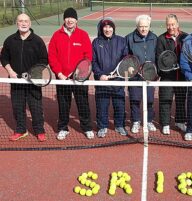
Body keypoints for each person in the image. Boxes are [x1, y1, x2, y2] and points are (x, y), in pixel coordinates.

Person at [48, 7, 94, 140]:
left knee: (83, 103)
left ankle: (87, 127)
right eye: (67, 17)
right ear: (64, 19)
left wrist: (80, 72)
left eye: (72, 18)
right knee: (63, 104)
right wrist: (60, 73)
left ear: (76, 20)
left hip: (79, 78)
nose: (69, 20)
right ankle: (63, 128)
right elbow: (52, 56)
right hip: (62, 78)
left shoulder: (83, 35)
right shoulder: (56, 35)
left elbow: (88, 56)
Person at [0, 13, 48, 142]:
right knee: (18, 107)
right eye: (21, 21)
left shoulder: (37, 41)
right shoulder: (10, 40)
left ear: (30, 24)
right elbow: (3, 58)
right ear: (17, 23)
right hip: (16, 81)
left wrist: (32, 73)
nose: (23, 23)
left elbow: (44, 60)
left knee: (36, 107)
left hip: (33, 81)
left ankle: (39, 130)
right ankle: (21, 130)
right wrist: (10, 71)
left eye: (26, 21)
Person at [92, 17, 128, 137]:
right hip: (102, 81)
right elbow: (93, 61)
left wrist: (119, 72)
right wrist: (99, 74)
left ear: (113, 28)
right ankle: (102, 126)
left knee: (119, 105)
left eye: (110, 27)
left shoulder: (121, 41)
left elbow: (125, 59)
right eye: (105, 27)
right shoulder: (96, 42)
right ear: (102, 29)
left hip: (118, 80)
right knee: (102, 105)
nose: (108, 29)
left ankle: (119, 125)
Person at [156, 14, 188, 135]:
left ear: (177, 24)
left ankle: (180, 121)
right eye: (168, 24)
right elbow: (159, 58)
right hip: (167, 77)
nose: (171, 27)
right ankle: (165, 124)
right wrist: (169, 67)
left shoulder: (186, 37)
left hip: (182, 76)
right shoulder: (161, 39)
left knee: (181, 99)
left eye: (173, 24)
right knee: (165, 100)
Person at [125, 14, 157, 134]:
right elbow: (126, 56)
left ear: (149, 26)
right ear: (137, 26)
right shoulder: (129, 38)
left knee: (149, 100)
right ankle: (136, 121)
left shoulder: (154, 38)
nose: (144, 29)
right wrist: (129, 67)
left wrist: (155, 72)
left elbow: (157, 56)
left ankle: (149, 121)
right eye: (141, 26)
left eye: (146, 26)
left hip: (149, 75)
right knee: (135, 99)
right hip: (135, 76)